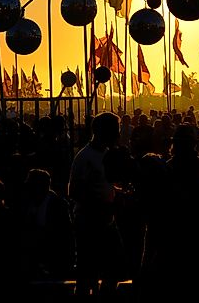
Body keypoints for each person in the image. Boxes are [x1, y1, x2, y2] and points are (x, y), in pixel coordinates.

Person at [68, 112, 121, 296]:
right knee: (87, 268)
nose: (118, 135)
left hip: (106, 219)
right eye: (115, 130)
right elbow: (75, 192)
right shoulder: (85, 158)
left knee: (112, 267)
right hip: (89, 220)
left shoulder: (107, 154)